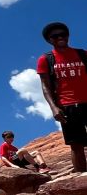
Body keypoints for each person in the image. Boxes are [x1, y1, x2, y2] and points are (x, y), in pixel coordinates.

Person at [37, 21, 87, 173]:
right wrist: (54, 107)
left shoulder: (82, 54)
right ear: (49, 40)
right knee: (76, 145)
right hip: (67, 106)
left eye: (63, 34)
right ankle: (82, 185)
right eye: (55, 36)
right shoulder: (46, 59)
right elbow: (46, 86)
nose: (60, 37)